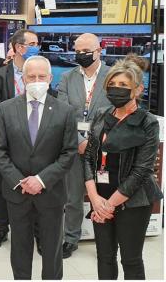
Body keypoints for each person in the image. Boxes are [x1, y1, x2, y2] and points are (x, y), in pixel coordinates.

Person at [0, 56, 77, 279]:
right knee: (20, 250)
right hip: (18, 193)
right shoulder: (6, 109)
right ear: (23, 78)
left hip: (51, 194)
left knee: (52, 252)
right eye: (31, 76)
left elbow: (68, 153)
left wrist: (41, 180)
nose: (36, 80)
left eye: (41, 76)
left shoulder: (65, 111)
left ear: (50, 78)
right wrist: (20, 180)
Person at [82, 56, 162, 279]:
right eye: (113, 85)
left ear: (138, 90)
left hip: (133, 201)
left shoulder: (147, 122)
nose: (117, 90)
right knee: (104, 256)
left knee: (131, 259)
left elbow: (142, 170)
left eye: (124, 86)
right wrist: (95, 199)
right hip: (101, 195)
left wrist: (108, 205)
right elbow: (89, 156)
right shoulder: (101, 115)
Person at [55, 33, 111, 259]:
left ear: (99, 50)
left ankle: (107, 239)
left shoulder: (112, 76)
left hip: (105, 147)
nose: (81, 55)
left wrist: (94, 142)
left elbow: (115, 112)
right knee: (73, 195)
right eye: (77, 51)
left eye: (86, 51)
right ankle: (71, 237)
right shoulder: (68, 77)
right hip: (75, 145)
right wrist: (80, 141)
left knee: (107, 192)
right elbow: (62, 111)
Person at [0, 29, 40, 251]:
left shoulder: (40, 74)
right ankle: (1, 230)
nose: (38, 46)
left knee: (36, 186)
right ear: (19, 47)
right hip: (7, 143)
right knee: (3, 187)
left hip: (37, 142)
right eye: (33, 43)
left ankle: (37, 232)